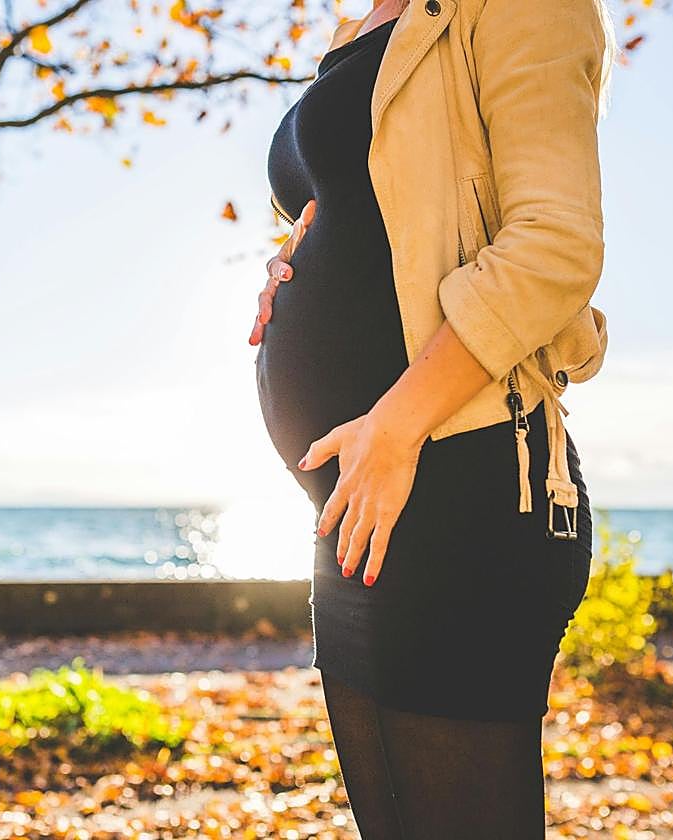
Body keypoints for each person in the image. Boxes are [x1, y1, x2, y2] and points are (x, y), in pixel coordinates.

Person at [248, 0, 616, 836]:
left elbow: (555, 243)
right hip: (356, 508)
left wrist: (394, 425)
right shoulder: (363, 26)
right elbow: (383, 213)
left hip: (465, 483)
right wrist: (292, 262)